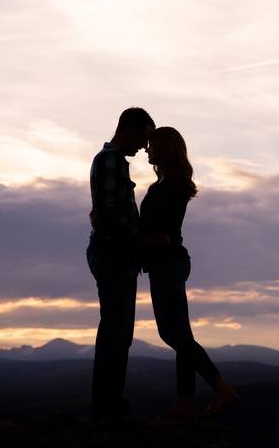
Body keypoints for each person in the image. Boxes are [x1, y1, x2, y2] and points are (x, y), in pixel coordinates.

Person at [141, 126, 240, 422]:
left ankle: (221, 389)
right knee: (181, 335)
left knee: (172, 334)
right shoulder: (173, 183)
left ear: (165, 149)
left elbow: (161, 235)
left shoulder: (168, 187)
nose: (147, 150)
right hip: (172, 263)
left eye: (152, 145)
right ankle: (185, 403)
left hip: (167, 264)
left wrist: (128, 232)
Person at [86, 107, 155, 423]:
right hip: (115, 256)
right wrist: (145, 240)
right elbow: (114, 216)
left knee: (116, 330)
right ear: (129, 128)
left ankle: (108, 402)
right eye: (143, 136)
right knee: (117, 331)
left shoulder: (107, 160)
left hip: (112, 254)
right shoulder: (111, 161)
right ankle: (109, 405)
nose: (144, 146)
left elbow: (107, 213)